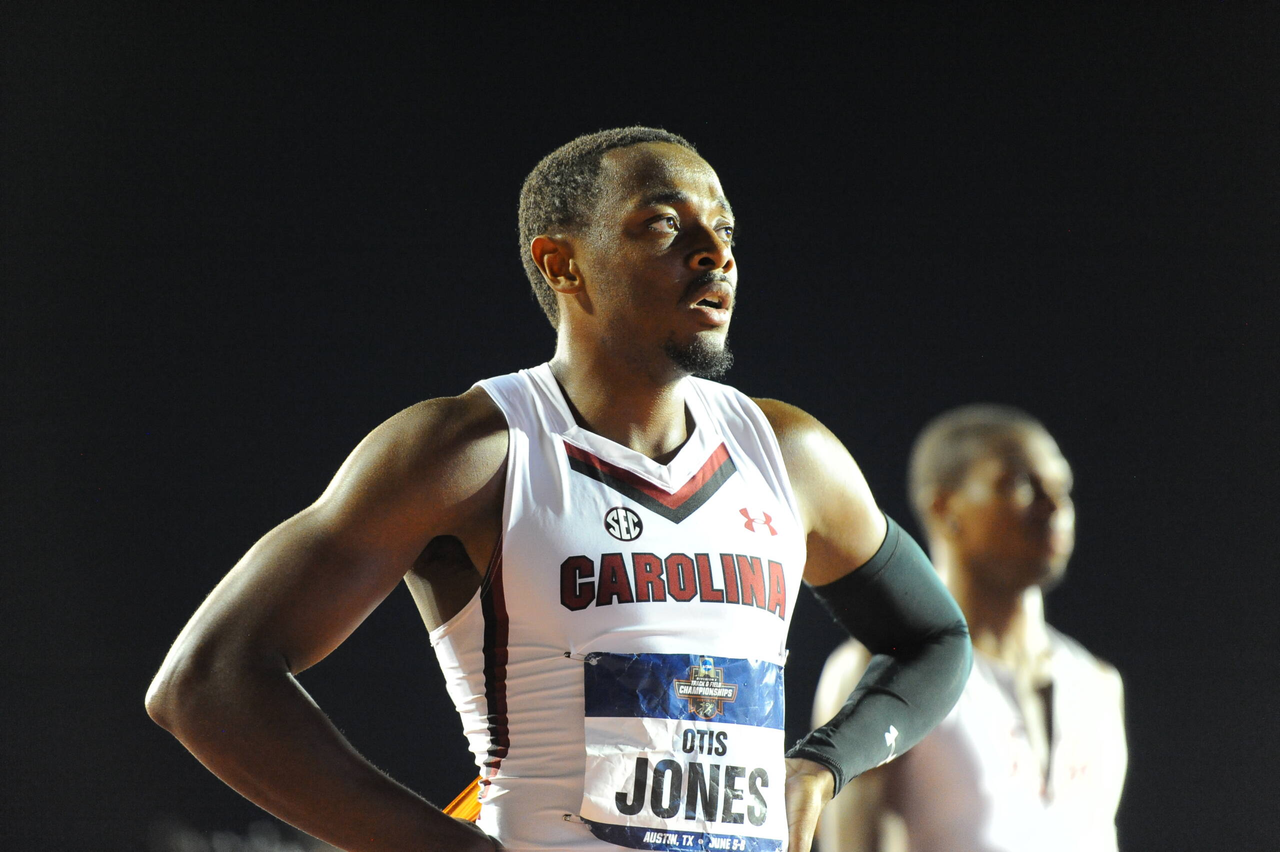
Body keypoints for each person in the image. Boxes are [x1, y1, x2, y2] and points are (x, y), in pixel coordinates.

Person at [146, 127, 971, 852]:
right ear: (562, 262)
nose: (715, 252)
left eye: (724, 229)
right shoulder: (469, 449)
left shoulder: (790, 453)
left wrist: (821, 767)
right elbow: (207, 682)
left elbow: (935, 638)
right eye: (663, 225)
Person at [812, 405, 1128, 852]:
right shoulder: (880, 669)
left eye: (1062, 488)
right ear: (944, 507)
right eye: (1020, 484)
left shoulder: (1097, 684)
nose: (1053, 507)